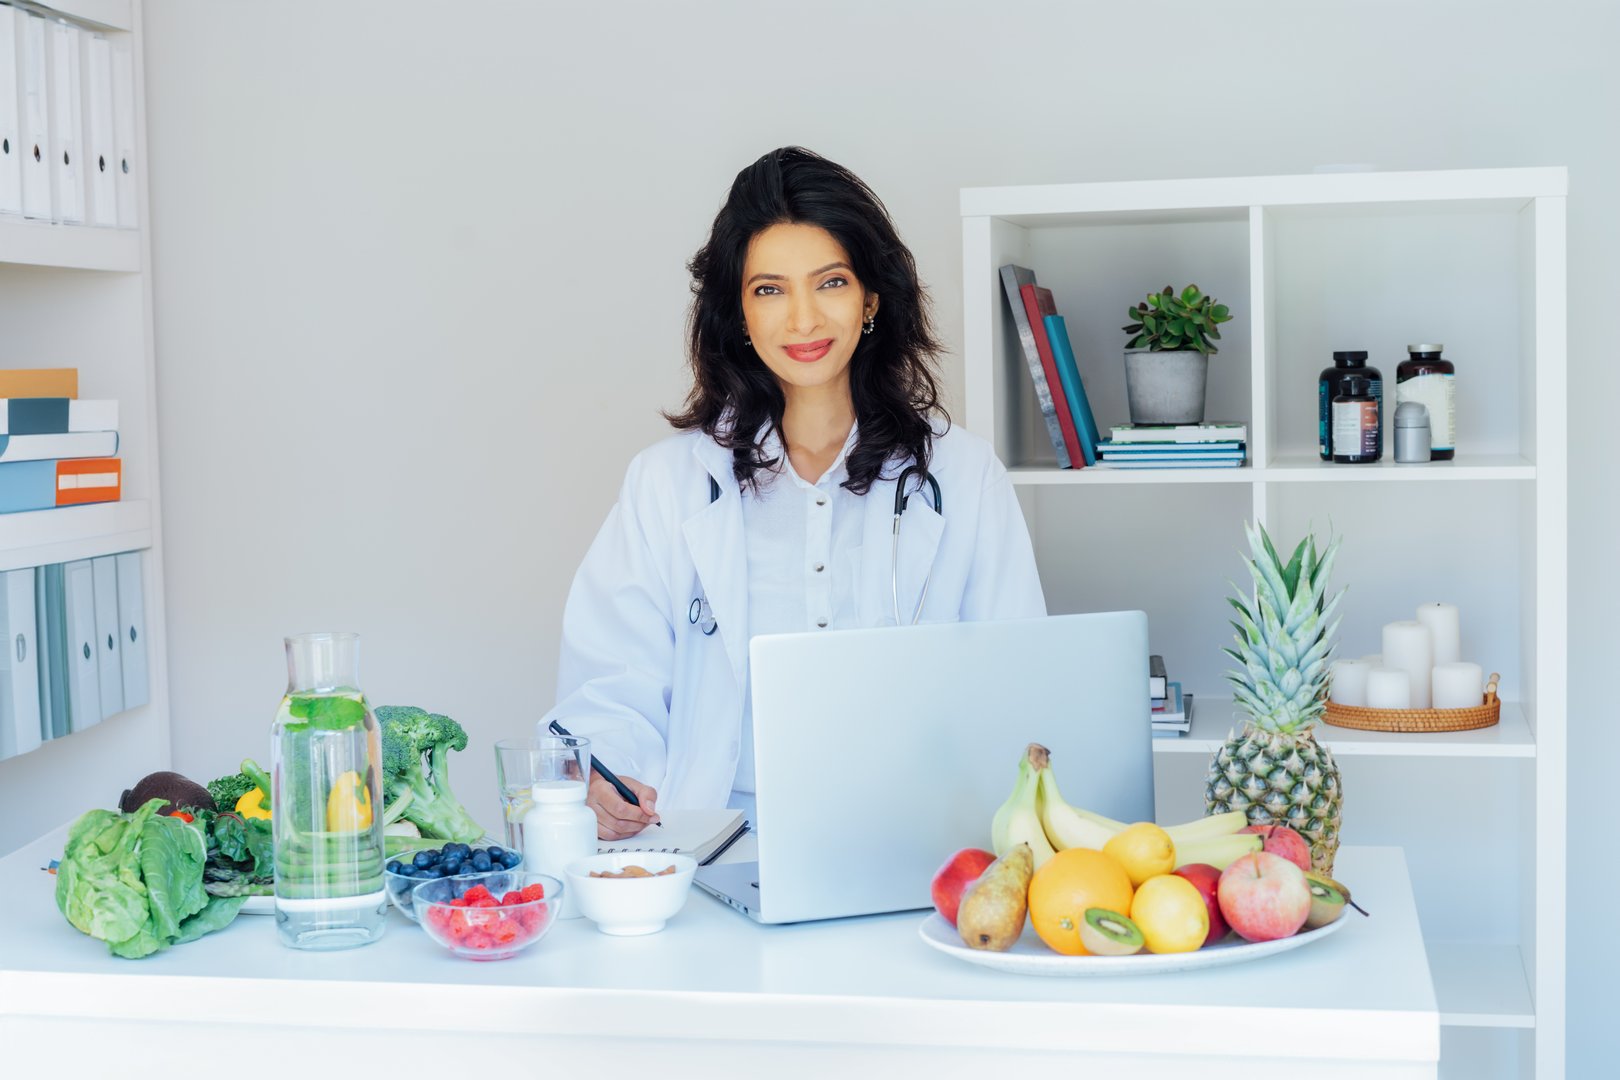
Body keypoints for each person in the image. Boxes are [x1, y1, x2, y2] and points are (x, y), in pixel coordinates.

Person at [542, 147, 1045, 840]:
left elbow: (1017, 682)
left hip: (910, 842)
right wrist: (607, 777)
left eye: (830, 282)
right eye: (769, 290)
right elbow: (609, 685)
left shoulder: (962, 476)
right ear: (739, 313)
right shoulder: (667, 484)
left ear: (871, 298)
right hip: (714, 845)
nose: (803, 320)